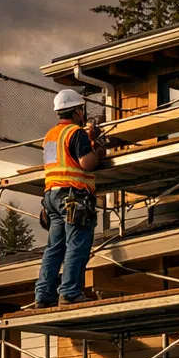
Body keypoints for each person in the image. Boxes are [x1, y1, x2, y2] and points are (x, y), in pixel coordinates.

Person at [31, 88, 105, 307]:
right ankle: (70, 292)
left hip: (51, 197)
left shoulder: (50, 136)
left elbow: (65, 159)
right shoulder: (76, 133)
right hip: (73, 195)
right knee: (77, 243)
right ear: (77, 111)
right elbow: (86, 163)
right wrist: (97, 146)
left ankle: (44, 294)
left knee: (55, 246)